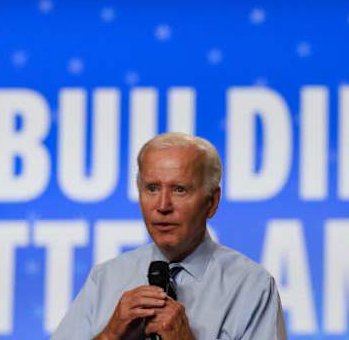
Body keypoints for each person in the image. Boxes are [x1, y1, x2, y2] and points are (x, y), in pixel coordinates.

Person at [52, 132, 286, 340]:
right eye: (152, 188)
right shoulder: (105, 279)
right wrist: (110, 335)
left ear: (212, 202)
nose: (163, 205)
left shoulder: (252, 287)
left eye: (179, 189)